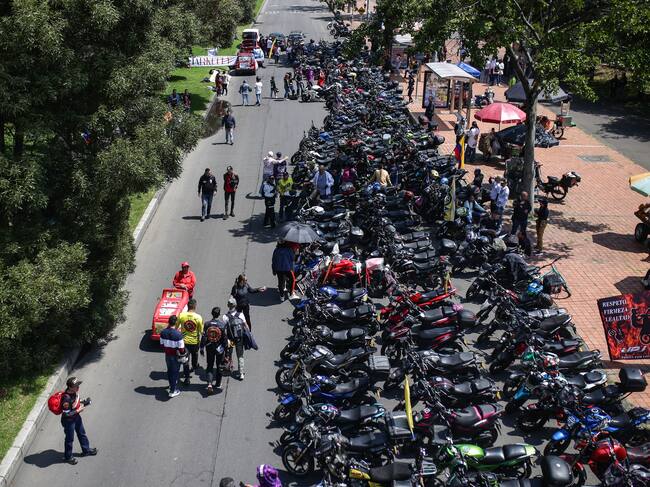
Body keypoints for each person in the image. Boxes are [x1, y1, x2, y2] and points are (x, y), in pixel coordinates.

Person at [60, 377, 97, 464]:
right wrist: (78, 411)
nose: (78, 387)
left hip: (76, 418)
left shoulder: (74, 393)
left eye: (78, 385)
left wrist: (85, 402)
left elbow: (75, 402)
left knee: (82, 433)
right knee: (69, 439)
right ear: (70, 387)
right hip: (69, 422)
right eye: (76, 386)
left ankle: (86, 450)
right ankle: (68, 457)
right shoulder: (66, 399)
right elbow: (66, 414)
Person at [200, 307, 228, 393]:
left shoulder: (207, 324)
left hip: (209, 348)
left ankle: (209, 384)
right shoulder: (222, 325)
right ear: (219, 314)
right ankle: (218, 384)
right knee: (219, 366)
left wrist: (202, 347)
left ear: (212, 313)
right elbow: (224, 339)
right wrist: (226, 352)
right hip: (219, 349)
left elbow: (204, 337)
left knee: (210, 365)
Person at [177, 298, 203, 385]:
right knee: (195, 355)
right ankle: (194, 366)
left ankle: (187, 378)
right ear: (195, 306)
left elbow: (176, 327)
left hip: (184, 342)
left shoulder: (181, 316)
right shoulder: (198, 317)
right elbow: (201, 331)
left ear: (188, 306)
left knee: (185, 360)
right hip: (195, 342)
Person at [224, 297, 249, 380]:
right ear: (236, 305)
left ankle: (229, 367)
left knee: (229, 353)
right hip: (239, 339)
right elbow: (246, 326)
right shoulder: (240, 315)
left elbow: (223, 330)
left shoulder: (225, 317)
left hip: (230, 339)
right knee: (240, 355)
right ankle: (241, 373)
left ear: (228, 305)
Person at [160, 315, 185, 398]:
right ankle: (173, 390)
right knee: (175, 372)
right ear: (176, 323)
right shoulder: (178, 334)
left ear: (168, 322)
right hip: (175, 356)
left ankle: (171, 386)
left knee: (170, 371)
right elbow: (181, 349)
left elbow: (162, 345)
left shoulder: (163, 332)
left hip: (167, 355)